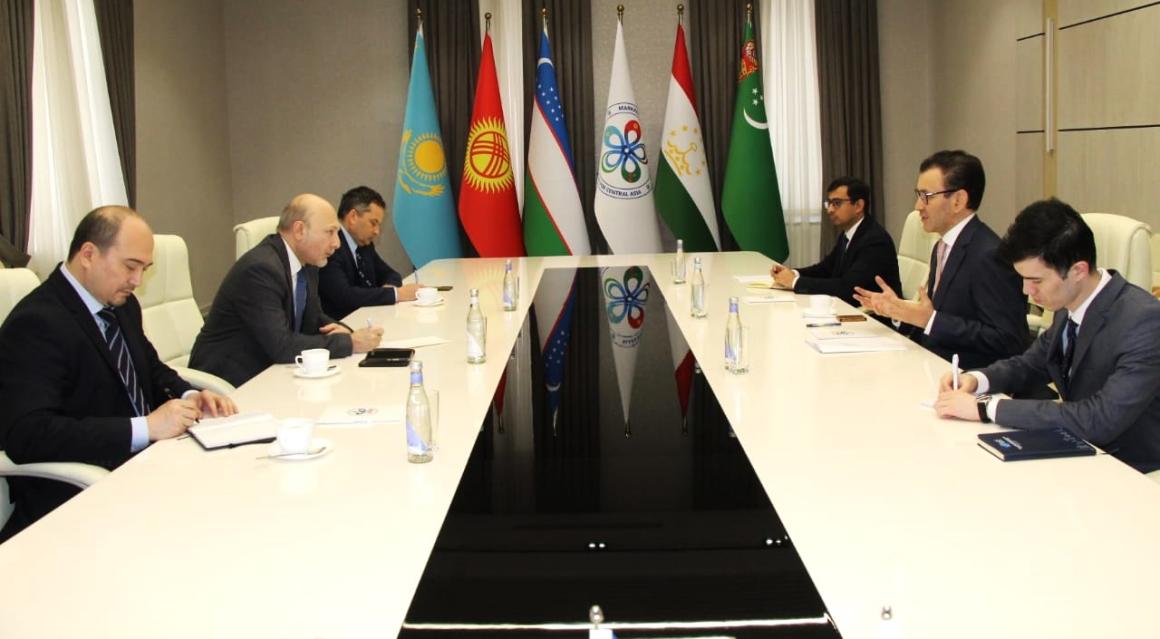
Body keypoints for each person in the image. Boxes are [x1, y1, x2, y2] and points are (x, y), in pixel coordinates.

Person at [0, 206, 237, 542]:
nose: (137, 281)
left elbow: (149, 367)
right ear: (88, 254)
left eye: (144, 269)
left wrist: (189, 395)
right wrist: (146, 428)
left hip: (146, 468)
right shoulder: (37, 323)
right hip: (78, 497)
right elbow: (29, 435)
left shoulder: (120, 304)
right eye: (130, 266)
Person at [934, 199, 1160, 473]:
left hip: (1132, 469)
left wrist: (986, 408)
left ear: (1077, 270)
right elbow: (1030, 364)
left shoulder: (1144, 321)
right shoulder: (1070, 303)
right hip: (1082, 450)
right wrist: (977, 380)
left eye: (1036, 281)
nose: (1026, 291)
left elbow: (1099, 419)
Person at [854, 149, 1028, 369]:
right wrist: (899, 311)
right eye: (918, 195)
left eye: (926, 196)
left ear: (958, 200)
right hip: (930, 363)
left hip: (966, 375)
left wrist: (930, 320)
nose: (918, 206)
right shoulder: (942, 246)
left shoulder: (989, 254)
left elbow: (1008, 340)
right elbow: (932, 317)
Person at [189, 194, 383, 387]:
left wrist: (347, 332)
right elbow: (281, 346)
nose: (336, 243)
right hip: (227, 383)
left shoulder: (308, 263)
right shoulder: (260, 269)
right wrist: (349, 343)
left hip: (269, 371)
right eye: (330, 232)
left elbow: (314, 318)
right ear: (299, 230)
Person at [771, 176, 901, 309]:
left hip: (873, 315)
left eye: (837, 203)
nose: (830, 210)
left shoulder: (875, 241)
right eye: (829, 203)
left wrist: (794, 282)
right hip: (848, 307)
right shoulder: (848, 234)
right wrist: (793, 273)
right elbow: (825, 269)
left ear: (858, 206)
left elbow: (849, 289)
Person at [319, 186, 419, 319]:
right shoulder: (331, 246)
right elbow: (344, 296)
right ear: (353, 217)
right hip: (342, 324)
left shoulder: (364, 244)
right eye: (373, 223)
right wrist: (396, 294)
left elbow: (391, 274)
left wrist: (388, 289)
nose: (377, 231)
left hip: (367, 318)